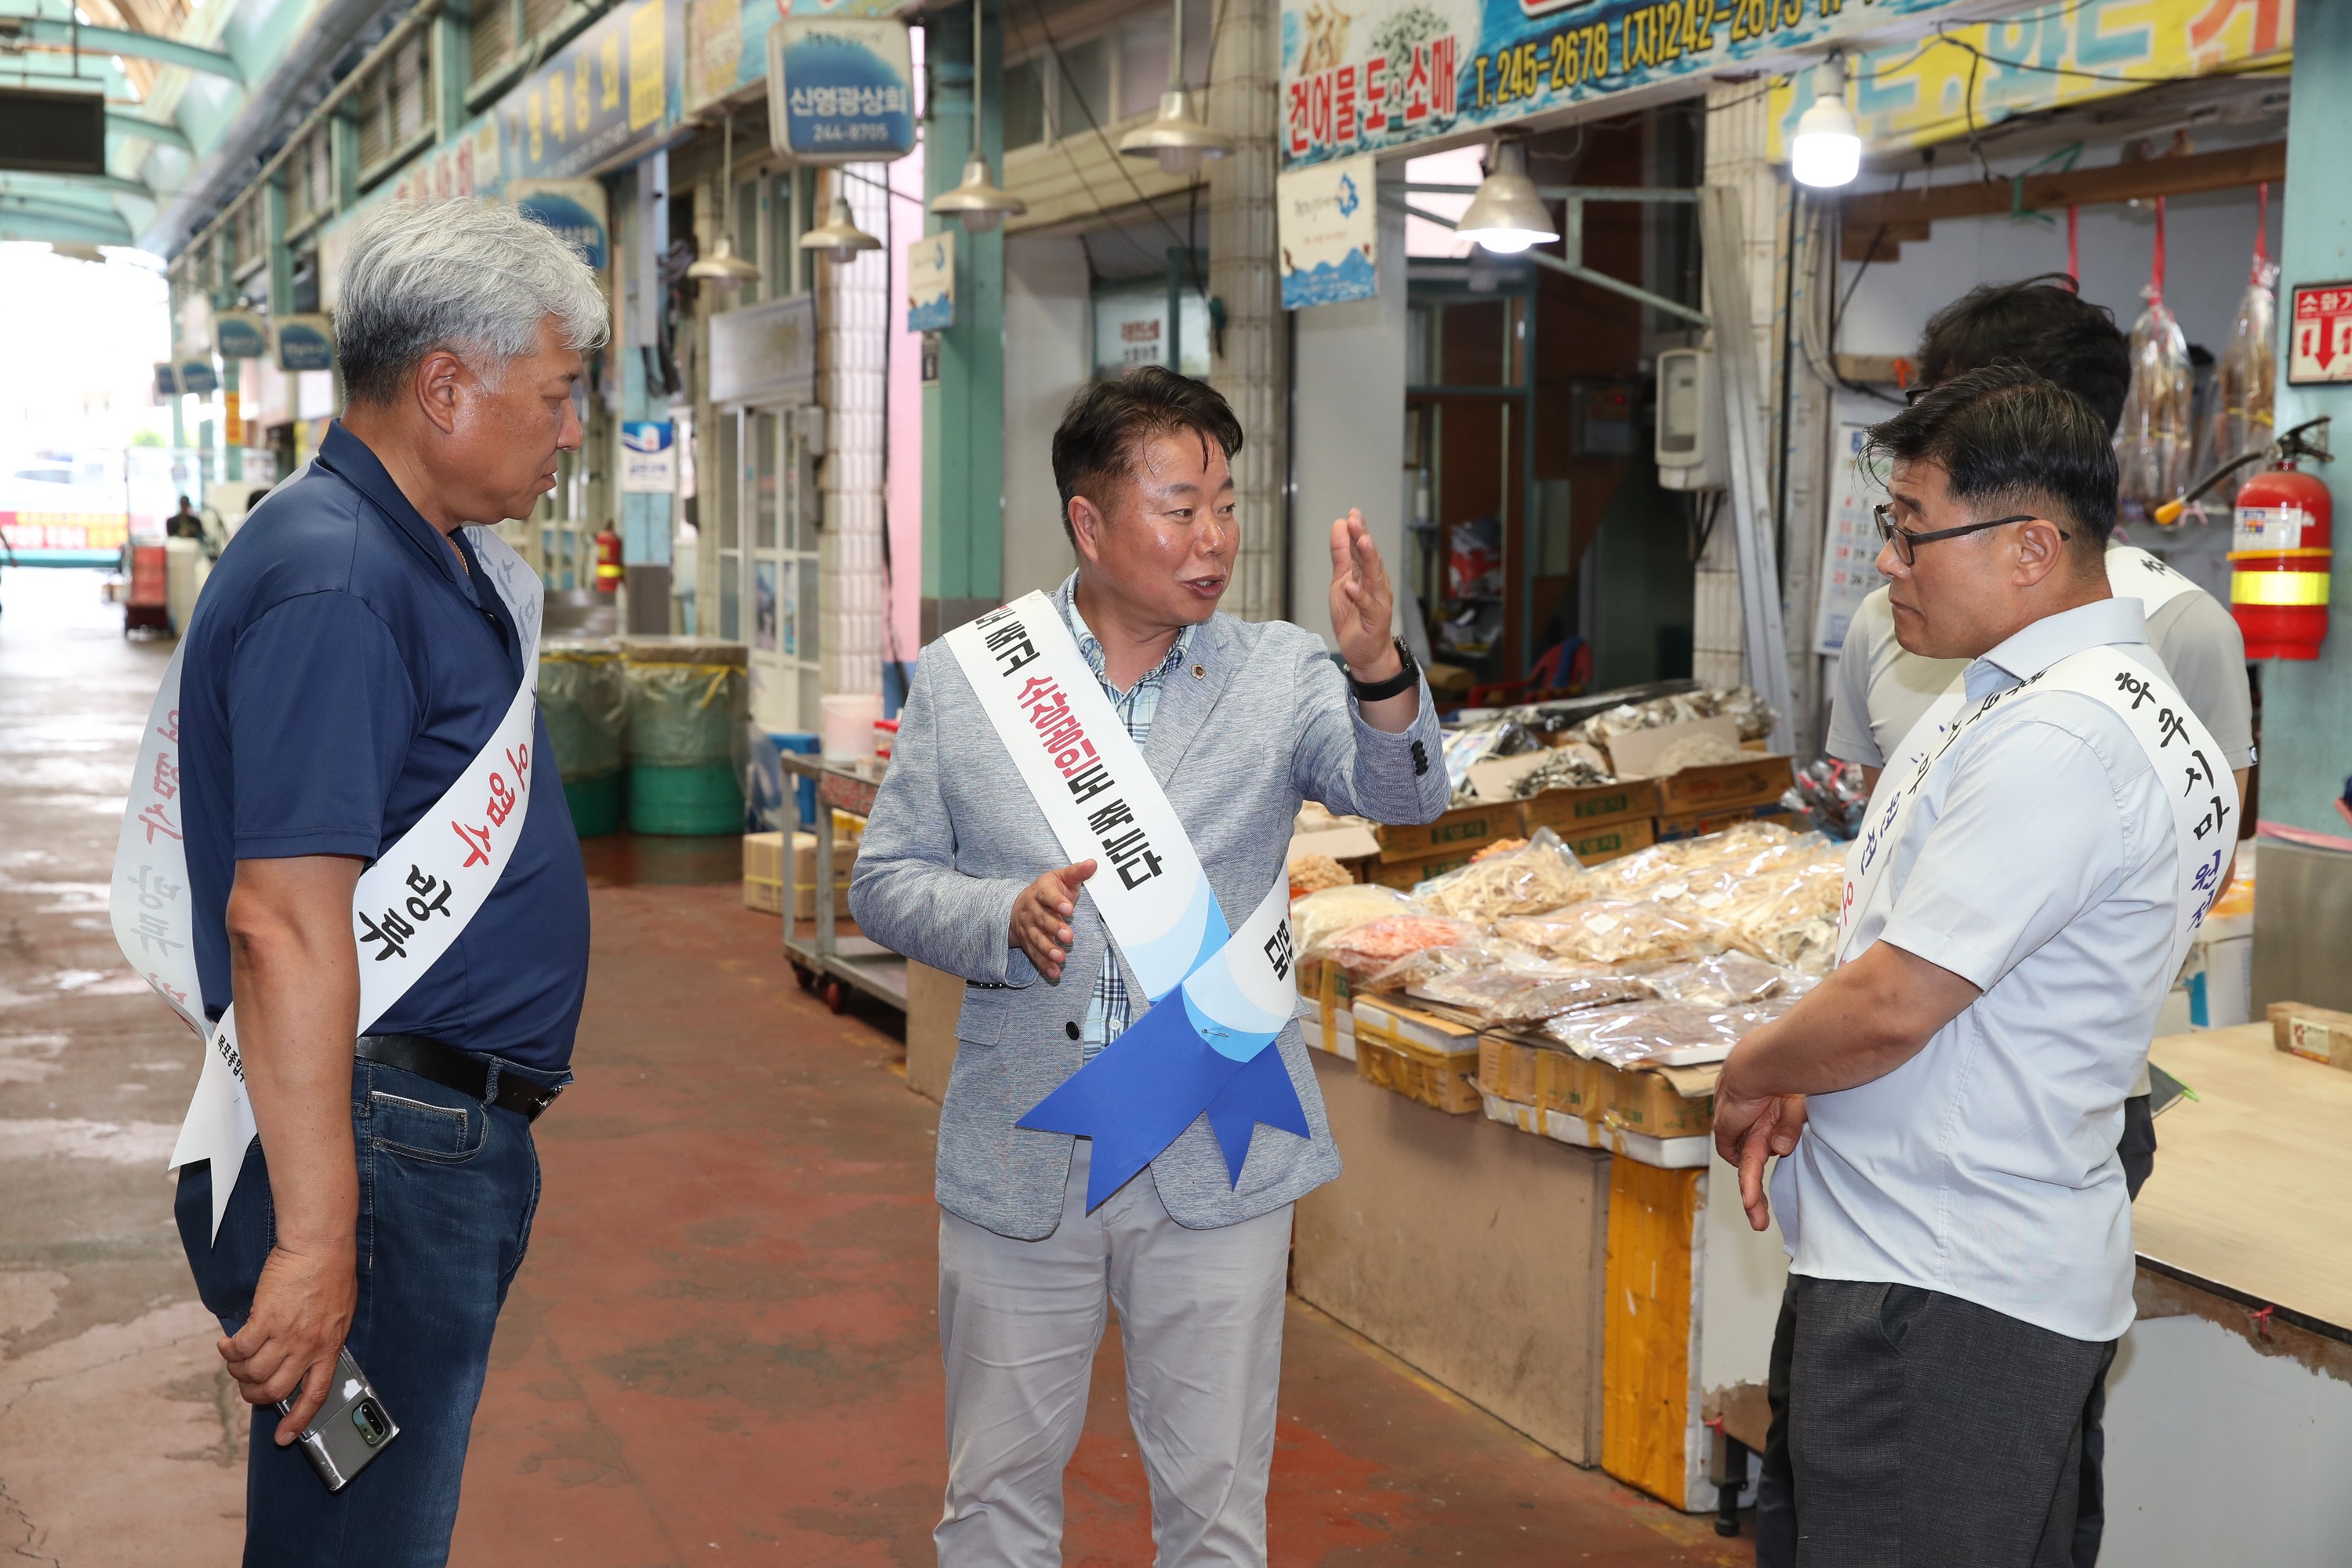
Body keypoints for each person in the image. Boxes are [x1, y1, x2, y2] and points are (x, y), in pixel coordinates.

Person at [851, 367, 1447, 1566]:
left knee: (1218, 1511)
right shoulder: (976, 677)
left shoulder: (1279, 672)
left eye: (1226, 505)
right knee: (995, 1499)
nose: (1213, 539)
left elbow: (1408, 794)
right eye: (1181, 507)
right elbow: (886, 878)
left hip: (1216, 1144)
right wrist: (996, 916)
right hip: (1028, 1146)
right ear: (1089, 520)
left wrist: (1382, 667)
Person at [1756, 277, 2257, 1568]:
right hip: (1938, 1250)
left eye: (1911, 531)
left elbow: (1891, 1004)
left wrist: (1751, 1072)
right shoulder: (2039, 694)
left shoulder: (2070, 736)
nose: (1886, 560)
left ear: (2031, 546)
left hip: (1944, 1284)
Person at [164, 200, 604, 1565]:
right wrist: (316, 1244)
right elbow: (282, 923)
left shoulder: (418, 555)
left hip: (413, 1140)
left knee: (357, 1518)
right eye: (559, 392)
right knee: (359, 1539)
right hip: (382, 1148)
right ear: (445, 387)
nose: (573, 429)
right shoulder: (343, 579)